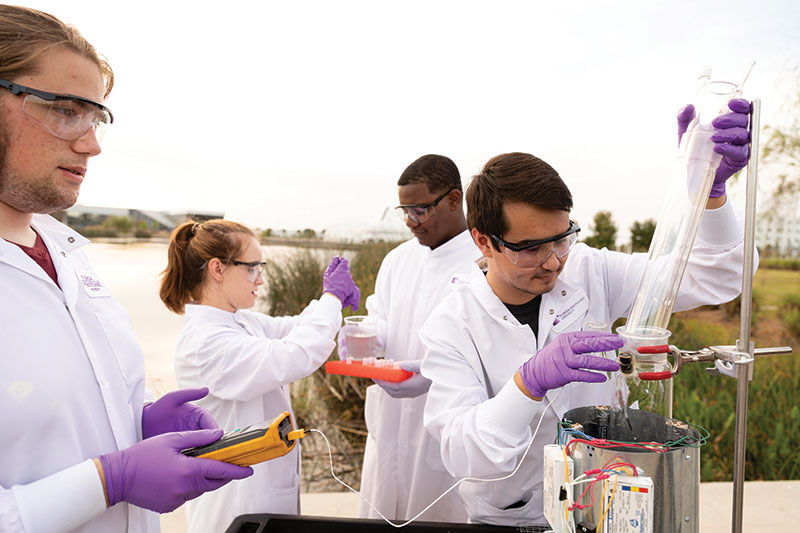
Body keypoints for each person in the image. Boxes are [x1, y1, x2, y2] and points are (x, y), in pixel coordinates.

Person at [419, 100, 754, 526]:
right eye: (531, 248)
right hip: (509, 517)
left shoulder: (591, 270)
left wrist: (710, 196)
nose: (554, 262)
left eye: (561, 238)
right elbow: (461, 451)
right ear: (484, 242)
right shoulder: (451, 325)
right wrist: (528, 383)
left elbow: (721, 276)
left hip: (605, 502)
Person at [0, 6, 253, 532]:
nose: (90, 143)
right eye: (66, 110)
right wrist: (109, 480)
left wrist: (133, 420)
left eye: (95, 118)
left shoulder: (66, 251)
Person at [159, 219, 361, 533]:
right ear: (218, 269)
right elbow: (294, 355)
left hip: (262, 495)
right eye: (253, 268)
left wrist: (326, 299)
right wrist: (332, 300)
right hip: (234, 505)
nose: (261, 279)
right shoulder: (205, 342)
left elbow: (294, 329)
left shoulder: (238, 321)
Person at [339, 154, 481, 522]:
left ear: (453, 199)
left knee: (437, 517)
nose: (409, 222)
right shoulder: (397, 259)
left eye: (419, 210)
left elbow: (489, 351)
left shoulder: (484, 262)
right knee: (380, 513)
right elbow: (382, 319)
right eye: (403, 210)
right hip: (388, 421)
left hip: (443, 425)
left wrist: (431, 373)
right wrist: (366, 338)